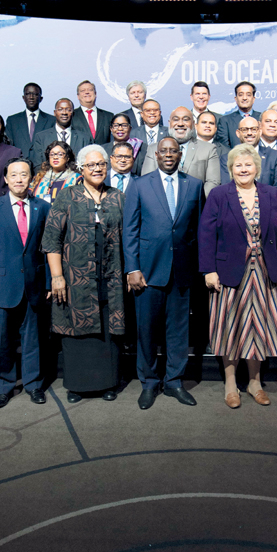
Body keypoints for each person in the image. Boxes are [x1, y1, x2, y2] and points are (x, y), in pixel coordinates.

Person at [199, 144, 277, 408]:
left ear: (257, 168)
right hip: (229, 274)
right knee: (230, 329)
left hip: (263, 274)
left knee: (258, 329)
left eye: (248, 164)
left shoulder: (271, 194)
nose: (243, 169)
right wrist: (209, 269)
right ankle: (230, 384)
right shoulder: (219, 195)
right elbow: (206, 235)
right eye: (238, 165)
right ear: (231, 169)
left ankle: (255, 382)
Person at [124, 137, 203, 409]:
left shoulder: (194, 185)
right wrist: (132, 268)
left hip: (181, 271)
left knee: (179, 332)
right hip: (147, 272)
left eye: (174, 151)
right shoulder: (139, 184)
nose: (169, 155)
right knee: (147, 331)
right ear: (156, 155)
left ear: (180, 154)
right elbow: (130, 230)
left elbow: (197, 231)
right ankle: (149, 382)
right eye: (164, 151)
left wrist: (197, 268)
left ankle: (174, 382)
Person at [43, 144, 126, 403]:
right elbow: (51, 239)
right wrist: (57, 277)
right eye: (91, 165)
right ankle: (78, 386)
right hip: (75, 278)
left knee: (106, 331)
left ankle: (108, 383)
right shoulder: (68, 196)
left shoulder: (117, 197)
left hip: (109, 276)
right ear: (80, 168)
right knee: (76, 331)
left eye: (101, 163)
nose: (97, 168)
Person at [0, 157, 51, 408]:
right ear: (6, 179)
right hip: (1, 287)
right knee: (1, 341)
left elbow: (48, 248)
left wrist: (49, 283)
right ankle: (2, 387)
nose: (20, 179)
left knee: (33, 340)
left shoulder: (43, 207)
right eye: (14, 175)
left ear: (31, 178)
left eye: (24, 174)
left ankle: (33, 385)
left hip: (33, 284)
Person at [221, 115, 277, 190]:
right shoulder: (226, 158)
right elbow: (227, 188)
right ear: (238, 133)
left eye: (254, 129)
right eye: (245, 130)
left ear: (260, 132)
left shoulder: (274, 156)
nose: (249, 133)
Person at [169, 106, 221, 197]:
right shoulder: (154, 149)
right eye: (176, 119)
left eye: (186, 120)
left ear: (193, 124)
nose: (180, 123)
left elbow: (213, 182)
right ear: (169, 123)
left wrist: (195, 202)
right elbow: (148, 182)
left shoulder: (209, 149)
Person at [29, 98, 93, 167]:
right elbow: (37, 165)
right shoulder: (41, 138)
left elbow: (88, 164)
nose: (64, 113)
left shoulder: (84, 138)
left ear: (73, 113)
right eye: (60, 109)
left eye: (68, 110)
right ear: (55, 113)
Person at [4, 83, 53, 155]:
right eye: (28, 94)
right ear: (23, 98)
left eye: (35, 94)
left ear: (41, 98)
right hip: (18, 163)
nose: (31, 97)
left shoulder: (51, 120)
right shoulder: (12, 120)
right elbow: (8, 146)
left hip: (43, 164)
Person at [220, 81, 259, 147]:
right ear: (236, 99)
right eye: (241, 95)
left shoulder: (262, 118)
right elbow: (224, 148)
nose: (244, 98)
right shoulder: (225, 121)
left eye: (248, 95)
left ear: (253, 99)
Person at [75, 80, 114, 144]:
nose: (87, 92)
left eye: (90, 90)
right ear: (78, 96)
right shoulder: (72, 116)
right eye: (83, 91)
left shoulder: (108, 116)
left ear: (95, 94)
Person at [190, 81, 227, 147]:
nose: (201, 97)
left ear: (209, 97)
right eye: (197, 94)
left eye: (204, 94)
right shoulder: (184, 119)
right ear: (191, 97)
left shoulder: (220, 119)